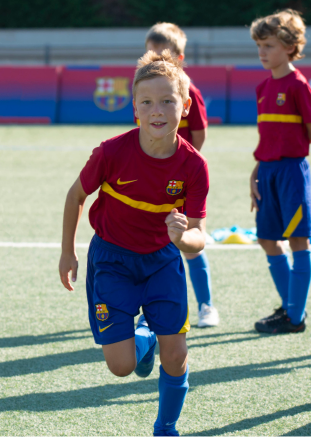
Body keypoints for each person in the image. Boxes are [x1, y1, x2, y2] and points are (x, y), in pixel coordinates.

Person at [59, 50, 209, 436]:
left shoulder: (193, 166)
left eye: (167, 101)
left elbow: (198, 237)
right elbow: (76, 196)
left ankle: (166, 427)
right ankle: (144, 336)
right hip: (112, 260)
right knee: (121, 366)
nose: (157, 110)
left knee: (175, 354)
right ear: (135, 110)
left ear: (186, 105)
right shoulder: (111, 152)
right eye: (147, 102)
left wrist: (183, 238)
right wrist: (67, 252)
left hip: (162, 260)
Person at [249, 9, 311, 333]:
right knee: (267, 239)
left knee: (298, 241)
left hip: (291, 172)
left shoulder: (298, 86)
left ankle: (294, 317)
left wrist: (285, 152)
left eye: (269, 45)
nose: (262, 52)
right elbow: (267, 137)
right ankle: (294, 308)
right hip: (266, 172)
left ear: (290, 47)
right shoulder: (262, 88)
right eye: (259, 46)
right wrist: (256, 171)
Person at [140, 22, 219, 328]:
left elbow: (198, 135)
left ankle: (206, 305)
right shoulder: (144, 92)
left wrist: (182, 166)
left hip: (180, 182)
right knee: (149, 244)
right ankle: (149, 310)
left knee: (188, 242)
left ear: (180, 58)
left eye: (163, 57)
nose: (157, 63)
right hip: (149, 180)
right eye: (151, 56)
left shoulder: (191, 93)